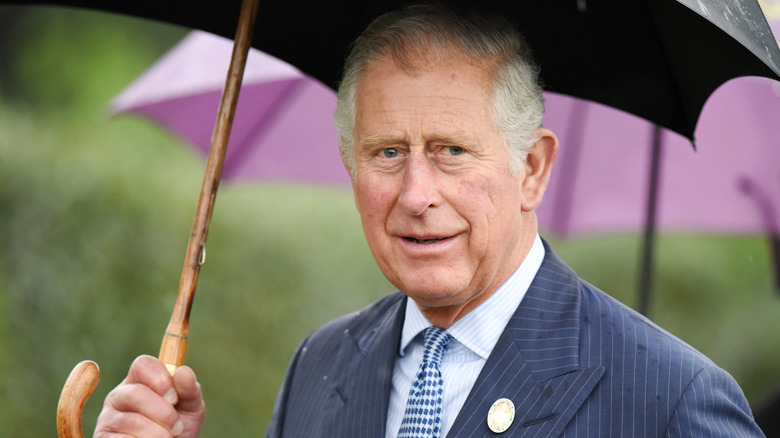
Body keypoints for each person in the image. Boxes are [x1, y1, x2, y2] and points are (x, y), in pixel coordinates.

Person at [94, 3, 765, 437]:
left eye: (451, 151)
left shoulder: (671, 401)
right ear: (349, 164)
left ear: (532, 167)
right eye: (387, 152)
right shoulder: (320, 364)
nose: (417, 194)